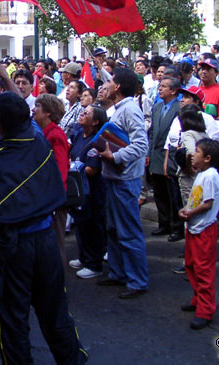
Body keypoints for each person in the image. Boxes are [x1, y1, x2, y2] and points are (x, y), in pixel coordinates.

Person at [0, 92, 88, 365]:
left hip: (15, 247)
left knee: (13, 320)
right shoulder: (37, 140)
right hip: (46, 240)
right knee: (55, 312)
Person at [97, 68, 149, 298]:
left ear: (117, 87)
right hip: (114, 177)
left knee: (128, 231)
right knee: (113, 228)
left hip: (125, 179)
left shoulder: (130, 110)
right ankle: (118, 273)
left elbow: (141, 145)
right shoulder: (119, 108)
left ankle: (137, 280)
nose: (105, 86)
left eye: (110, 82)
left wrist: (115, 157)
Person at [179, 138, 219, 330]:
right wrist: (186, 209)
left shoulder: (211, 175)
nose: (192, 155)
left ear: (207, 158)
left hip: (204, 229)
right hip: (193, 227)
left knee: (204, 271)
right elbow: (195, 199)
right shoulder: (201, 174)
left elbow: (207, 203)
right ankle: (198, 298)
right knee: (191, 265)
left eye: (196, 152)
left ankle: (205, 310)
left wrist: (190, 213)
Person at [69, 104, 109, 279]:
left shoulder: (97, 140)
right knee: (80, 224)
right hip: (78, 188)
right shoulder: (78, 134)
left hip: (92, 190)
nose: (82, 114)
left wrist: (72, 168)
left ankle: (94, 263)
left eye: (87, 113)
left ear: (95, 121)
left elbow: (92, 169)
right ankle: (84, 256)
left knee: (92, 225)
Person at [33, 94, 69, 266]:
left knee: (56, 243)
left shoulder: (55, 135)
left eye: (38, 106)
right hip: (44, 195)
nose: (34, 109)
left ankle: (58, 285)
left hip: (53, 198)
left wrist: (53, 199)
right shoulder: (42, 132)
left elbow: (61, 170)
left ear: (48, 112)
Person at [149, 76, 184, 242]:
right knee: (159, 192)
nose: (160, 89)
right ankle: (163, 223)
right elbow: (152, 132)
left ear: (173, 90)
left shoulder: (179, 107)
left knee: (172, 194)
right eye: (160, 86)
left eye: (164, 86)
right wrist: (148, 153)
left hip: (170, 155)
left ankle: (176, 226)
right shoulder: (156, 107)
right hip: (155, 154)